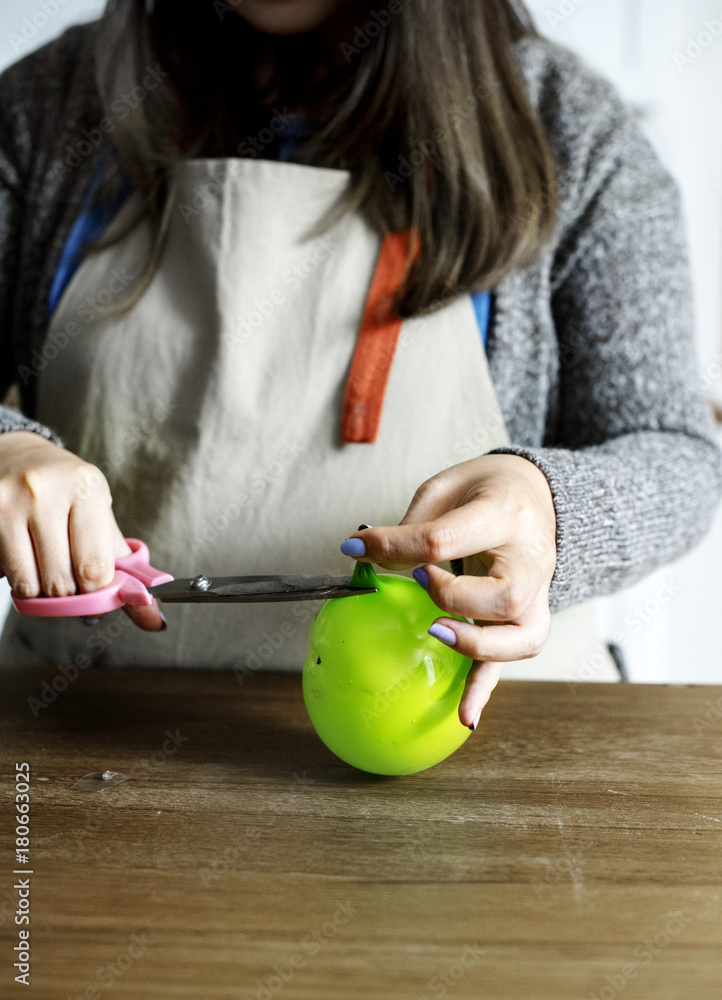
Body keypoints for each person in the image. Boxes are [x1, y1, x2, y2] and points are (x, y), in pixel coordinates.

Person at [0, 0, 719, 730]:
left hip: (496, 762)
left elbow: (679, 454)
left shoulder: (569, 126)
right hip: (75, 751)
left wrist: (554, 510)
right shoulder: (47, 105)